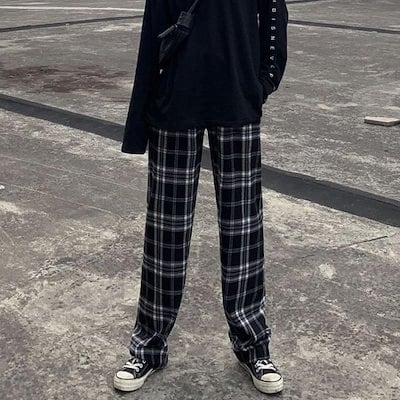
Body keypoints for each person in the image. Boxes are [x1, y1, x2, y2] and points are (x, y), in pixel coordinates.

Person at [114, 0, 288, 394]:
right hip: (175, 102)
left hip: (237, 101)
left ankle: (253, 346)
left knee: (244, 233)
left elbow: (274, 15)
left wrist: (263, 80)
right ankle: (148, 346)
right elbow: (152, 32)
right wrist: (139, 120)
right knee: (165, 235)